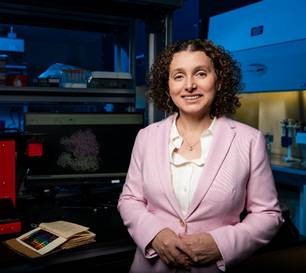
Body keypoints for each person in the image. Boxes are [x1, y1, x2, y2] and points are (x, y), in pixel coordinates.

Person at [117, 39, 283, 273]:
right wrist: (155, 234)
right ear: (168, 86)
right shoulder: (146, 137)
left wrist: (221, 244)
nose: (189, 85)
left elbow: (267, 215)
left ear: (219, 81)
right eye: (178, 76)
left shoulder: (249, 140)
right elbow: (130, 199)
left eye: (201, 73)